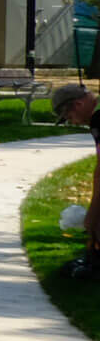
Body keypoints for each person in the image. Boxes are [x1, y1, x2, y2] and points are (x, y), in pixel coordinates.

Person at [57, 84, 100, 280]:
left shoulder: (98, 120)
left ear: (78, 104)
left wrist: (92, 214)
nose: (73, 122)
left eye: (69, 117)